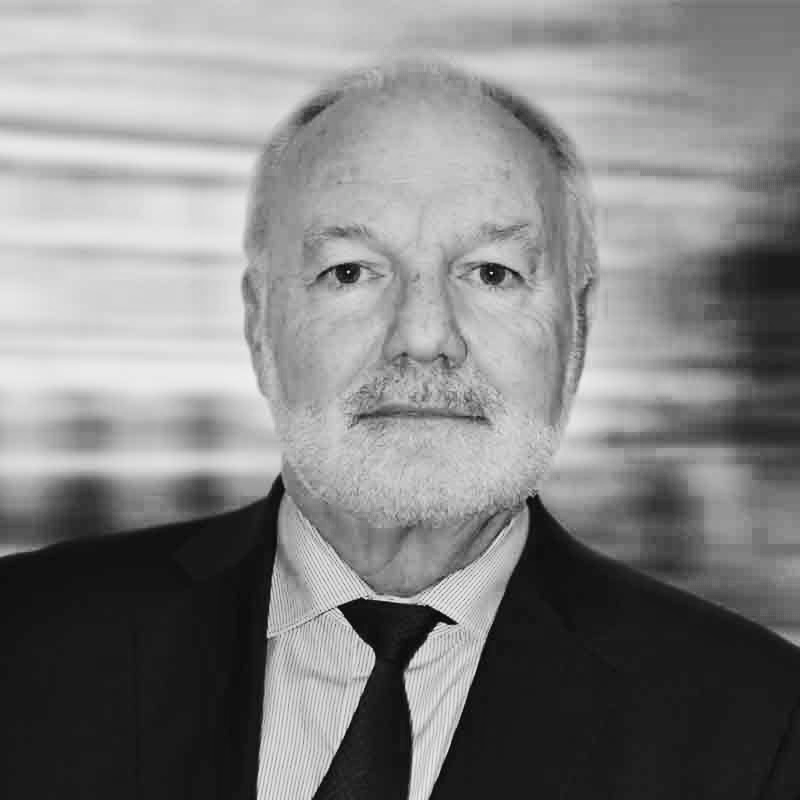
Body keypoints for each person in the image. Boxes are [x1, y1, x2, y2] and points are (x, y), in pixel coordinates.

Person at [1, 59, 799, 800]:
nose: (423, 335)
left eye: (493, 272)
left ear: (578, 330)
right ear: (257, 322)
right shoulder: (24, 641)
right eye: (350, 271)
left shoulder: (760, 724)